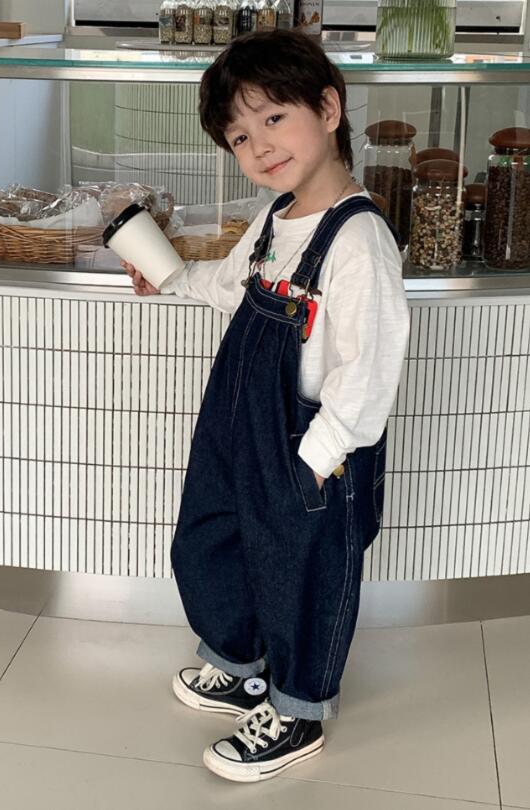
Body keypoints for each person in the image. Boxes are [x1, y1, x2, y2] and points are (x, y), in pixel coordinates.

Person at [122, 29, 409, 784]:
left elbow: (369, 372)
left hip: (310, 443)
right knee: (214, 535)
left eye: (274, 118)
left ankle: (297, 711)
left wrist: (316, 460)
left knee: (299, 572)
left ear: (329, 109)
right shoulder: (277, 216)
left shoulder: (358, 239)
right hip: (240, 423)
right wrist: (173, 280)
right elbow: (234, 285)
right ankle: (240, 663)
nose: (259, 147)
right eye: (240, 137)